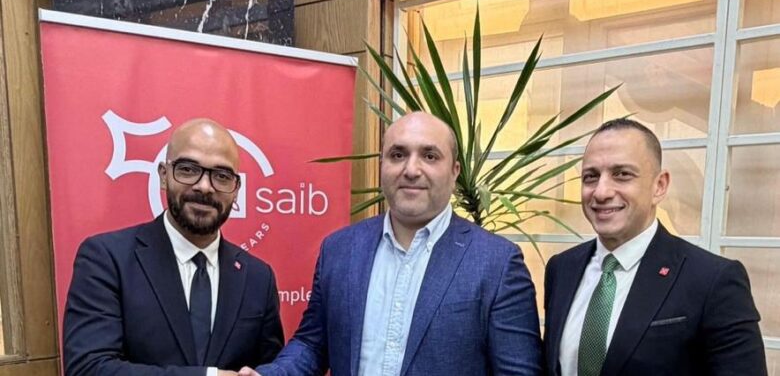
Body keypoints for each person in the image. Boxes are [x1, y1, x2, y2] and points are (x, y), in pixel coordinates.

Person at [239, 111, 542, 376]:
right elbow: (312, 344)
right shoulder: (340, 250)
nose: (411, 169)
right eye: (398, 155)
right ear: (382, 164)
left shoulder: (497, 263)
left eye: (430, 156)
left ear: (455, 171)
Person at [543, 118, 767, 376]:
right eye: (590, 177)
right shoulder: (562, 269)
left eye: (622, 174)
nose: (601, 192)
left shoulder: (712, 280)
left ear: (659, 186)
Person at [63, 118, 284, 376]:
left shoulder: (258, 278)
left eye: (222, 176)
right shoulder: (107, 259)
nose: (204, 187)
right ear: (163, 175)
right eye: (188, 169)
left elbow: (271, 369)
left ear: (236, 189)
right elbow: (87, 368)